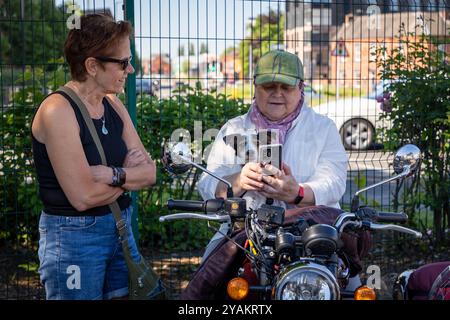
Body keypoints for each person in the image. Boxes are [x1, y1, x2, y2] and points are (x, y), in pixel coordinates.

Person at [31, 13, 156, 300]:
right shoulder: (57, 110)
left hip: (120, 230)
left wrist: (114, 174)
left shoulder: (112, 104)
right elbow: (83, 196)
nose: (132, 69)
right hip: (74, 239)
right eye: (123, 62)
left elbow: (150, 173)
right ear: (92, 66)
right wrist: (127, 177)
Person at [197, 50, 348, 259]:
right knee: (207, 278)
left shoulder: (323, 128)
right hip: (244, 234)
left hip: (311, 232)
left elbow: (335, 182)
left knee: (348, 284)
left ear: (301, 88)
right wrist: (239, 181)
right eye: (269, 86)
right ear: (255, 86)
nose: (277, 93)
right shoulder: (234, 129)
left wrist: (298, 193)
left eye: (286, 87)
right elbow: (206, 184)